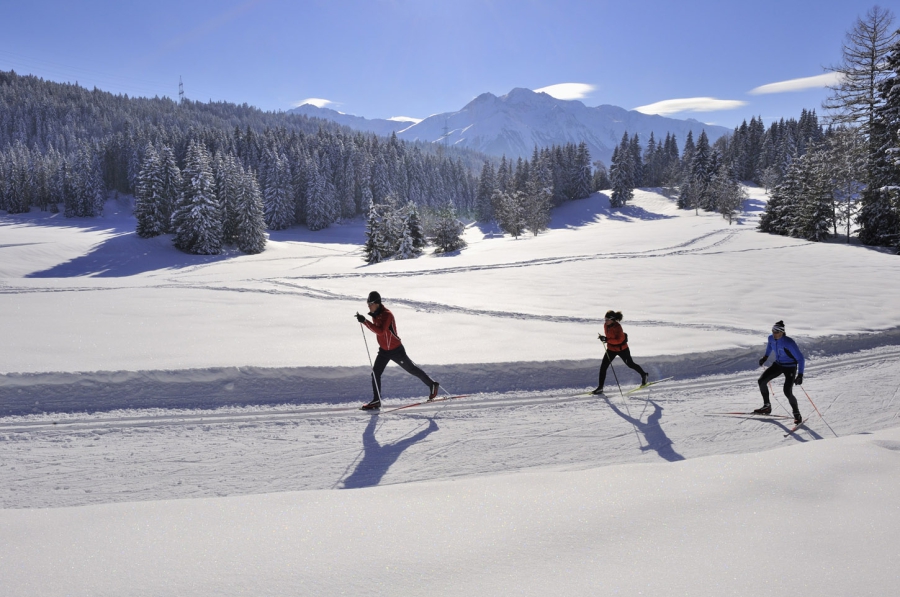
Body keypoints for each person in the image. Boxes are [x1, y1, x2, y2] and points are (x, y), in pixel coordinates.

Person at [355, 291, 439, 410]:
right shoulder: (375, 314)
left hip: (396, 350)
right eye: (368, 304)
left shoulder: (387, 315)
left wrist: (365, 321)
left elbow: (381, 331)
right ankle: (376, 400)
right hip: (384, 351)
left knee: (412, 369)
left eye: (370, 304)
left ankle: (432, 385)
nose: (368, 306)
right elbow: (379, 332)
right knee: (375, 373)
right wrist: (364, 321)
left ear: (377, 303)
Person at [755, 320, 805, 425]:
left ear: (782, 332)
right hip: (778, 364)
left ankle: (797, 415)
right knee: (761, 381)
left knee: (787, 391)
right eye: (773, 331)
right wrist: (765, 357)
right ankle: (767, 406)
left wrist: (800, 375)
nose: (774, 334)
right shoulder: (771, 338)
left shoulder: (789, 342)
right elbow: (769, 346)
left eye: (777, 332)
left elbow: (800, 359)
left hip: (790, 367)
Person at [592, 310, 648, 395]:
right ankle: (600, 388)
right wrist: (603, 338)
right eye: (605, 319)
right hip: (611, 349)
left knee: (630, 364)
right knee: (603, 367)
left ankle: (644, 375)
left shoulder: (618, 327)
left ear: (612, 319)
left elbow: (619, 340)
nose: (605, 321)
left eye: (607, 319)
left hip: (622, 349)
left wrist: (607, 339)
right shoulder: (606, 325)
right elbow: (609, 337)